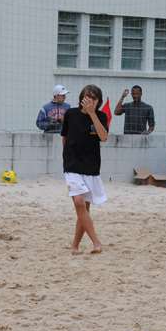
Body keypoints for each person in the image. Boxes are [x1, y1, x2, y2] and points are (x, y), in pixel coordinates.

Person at [61, 84, 108, 255]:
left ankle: (75, 246)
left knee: (84, 210)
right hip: (72, 165)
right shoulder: (70, 114)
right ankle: (96, 242)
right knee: (79, 202)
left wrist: (92, 114)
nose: (90, 100)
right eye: (87, 96)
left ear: (98, 101)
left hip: (91, 166)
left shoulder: (101, 116)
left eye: (94, 98)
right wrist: (66, 158)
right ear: (81, 98)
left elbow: (103, 137)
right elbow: (64, 137)